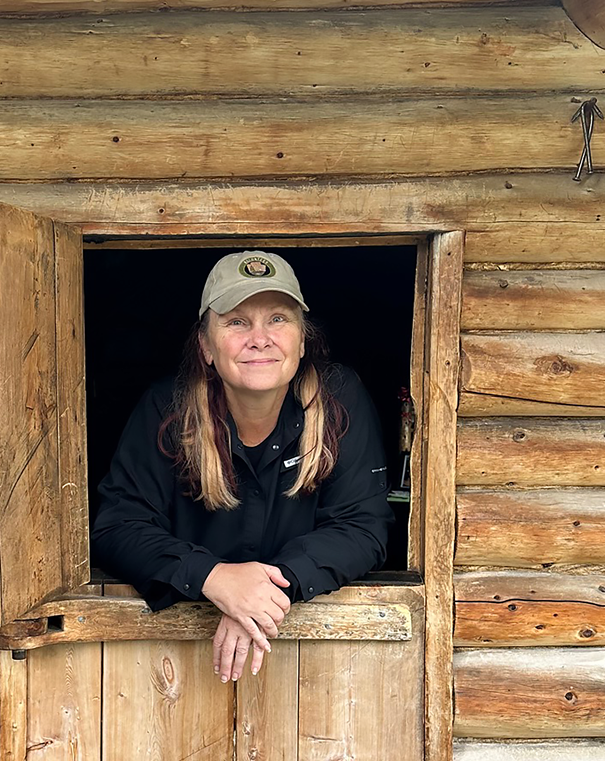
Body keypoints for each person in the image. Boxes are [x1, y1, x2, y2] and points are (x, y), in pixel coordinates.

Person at [91, 250, 392, 685]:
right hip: (166, 674)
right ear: (206, 346)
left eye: (278, 319)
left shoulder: (339, 401)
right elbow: (118, 527)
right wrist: (214, 579)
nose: (260, 338)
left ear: (302, 340)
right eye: (236, 322)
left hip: (313, 678)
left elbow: (363, 527)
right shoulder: (167, 410)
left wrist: (264, 590)